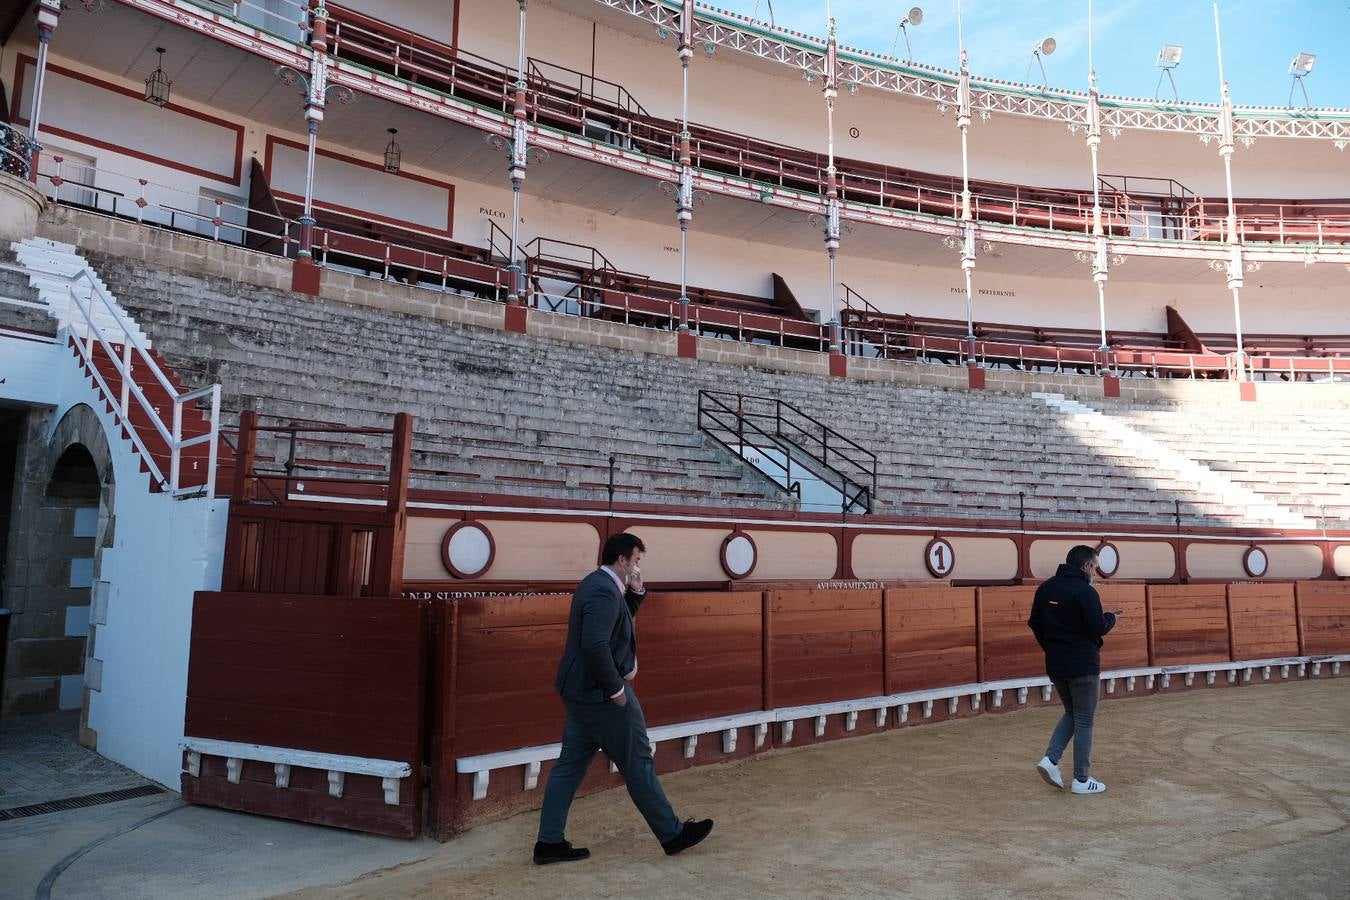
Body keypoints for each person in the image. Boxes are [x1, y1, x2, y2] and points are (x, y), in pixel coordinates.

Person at [533, 532, 714, 864]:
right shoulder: (603, 592)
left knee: (569, 767)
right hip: (602, 695)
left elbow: (617, 621)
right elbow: (595, 644)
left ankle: (549, 843)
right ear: (623, 560)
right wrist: (616, 690)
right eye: (636, 561)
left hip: (581, 695)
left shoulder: (598, 585)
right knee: (638, 762)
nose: (637, 566)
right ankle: (672, 833)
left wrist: (637, 592)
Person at [1026, 544, 1119, 795]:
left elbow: (1034, 623)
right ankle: (1081, 778)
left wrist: (1051, 647)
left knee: (1072, 713)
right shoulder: (1085, 592)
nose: (1095, 573)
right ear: (1087, 566)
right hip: (1083, 665)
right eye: (1095, 568)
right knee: (1085, 719)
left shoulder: (1046, 588)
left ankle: (1050, 760)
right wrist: (1111, 618)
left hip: (1055, 663)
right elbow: (1096, 627)